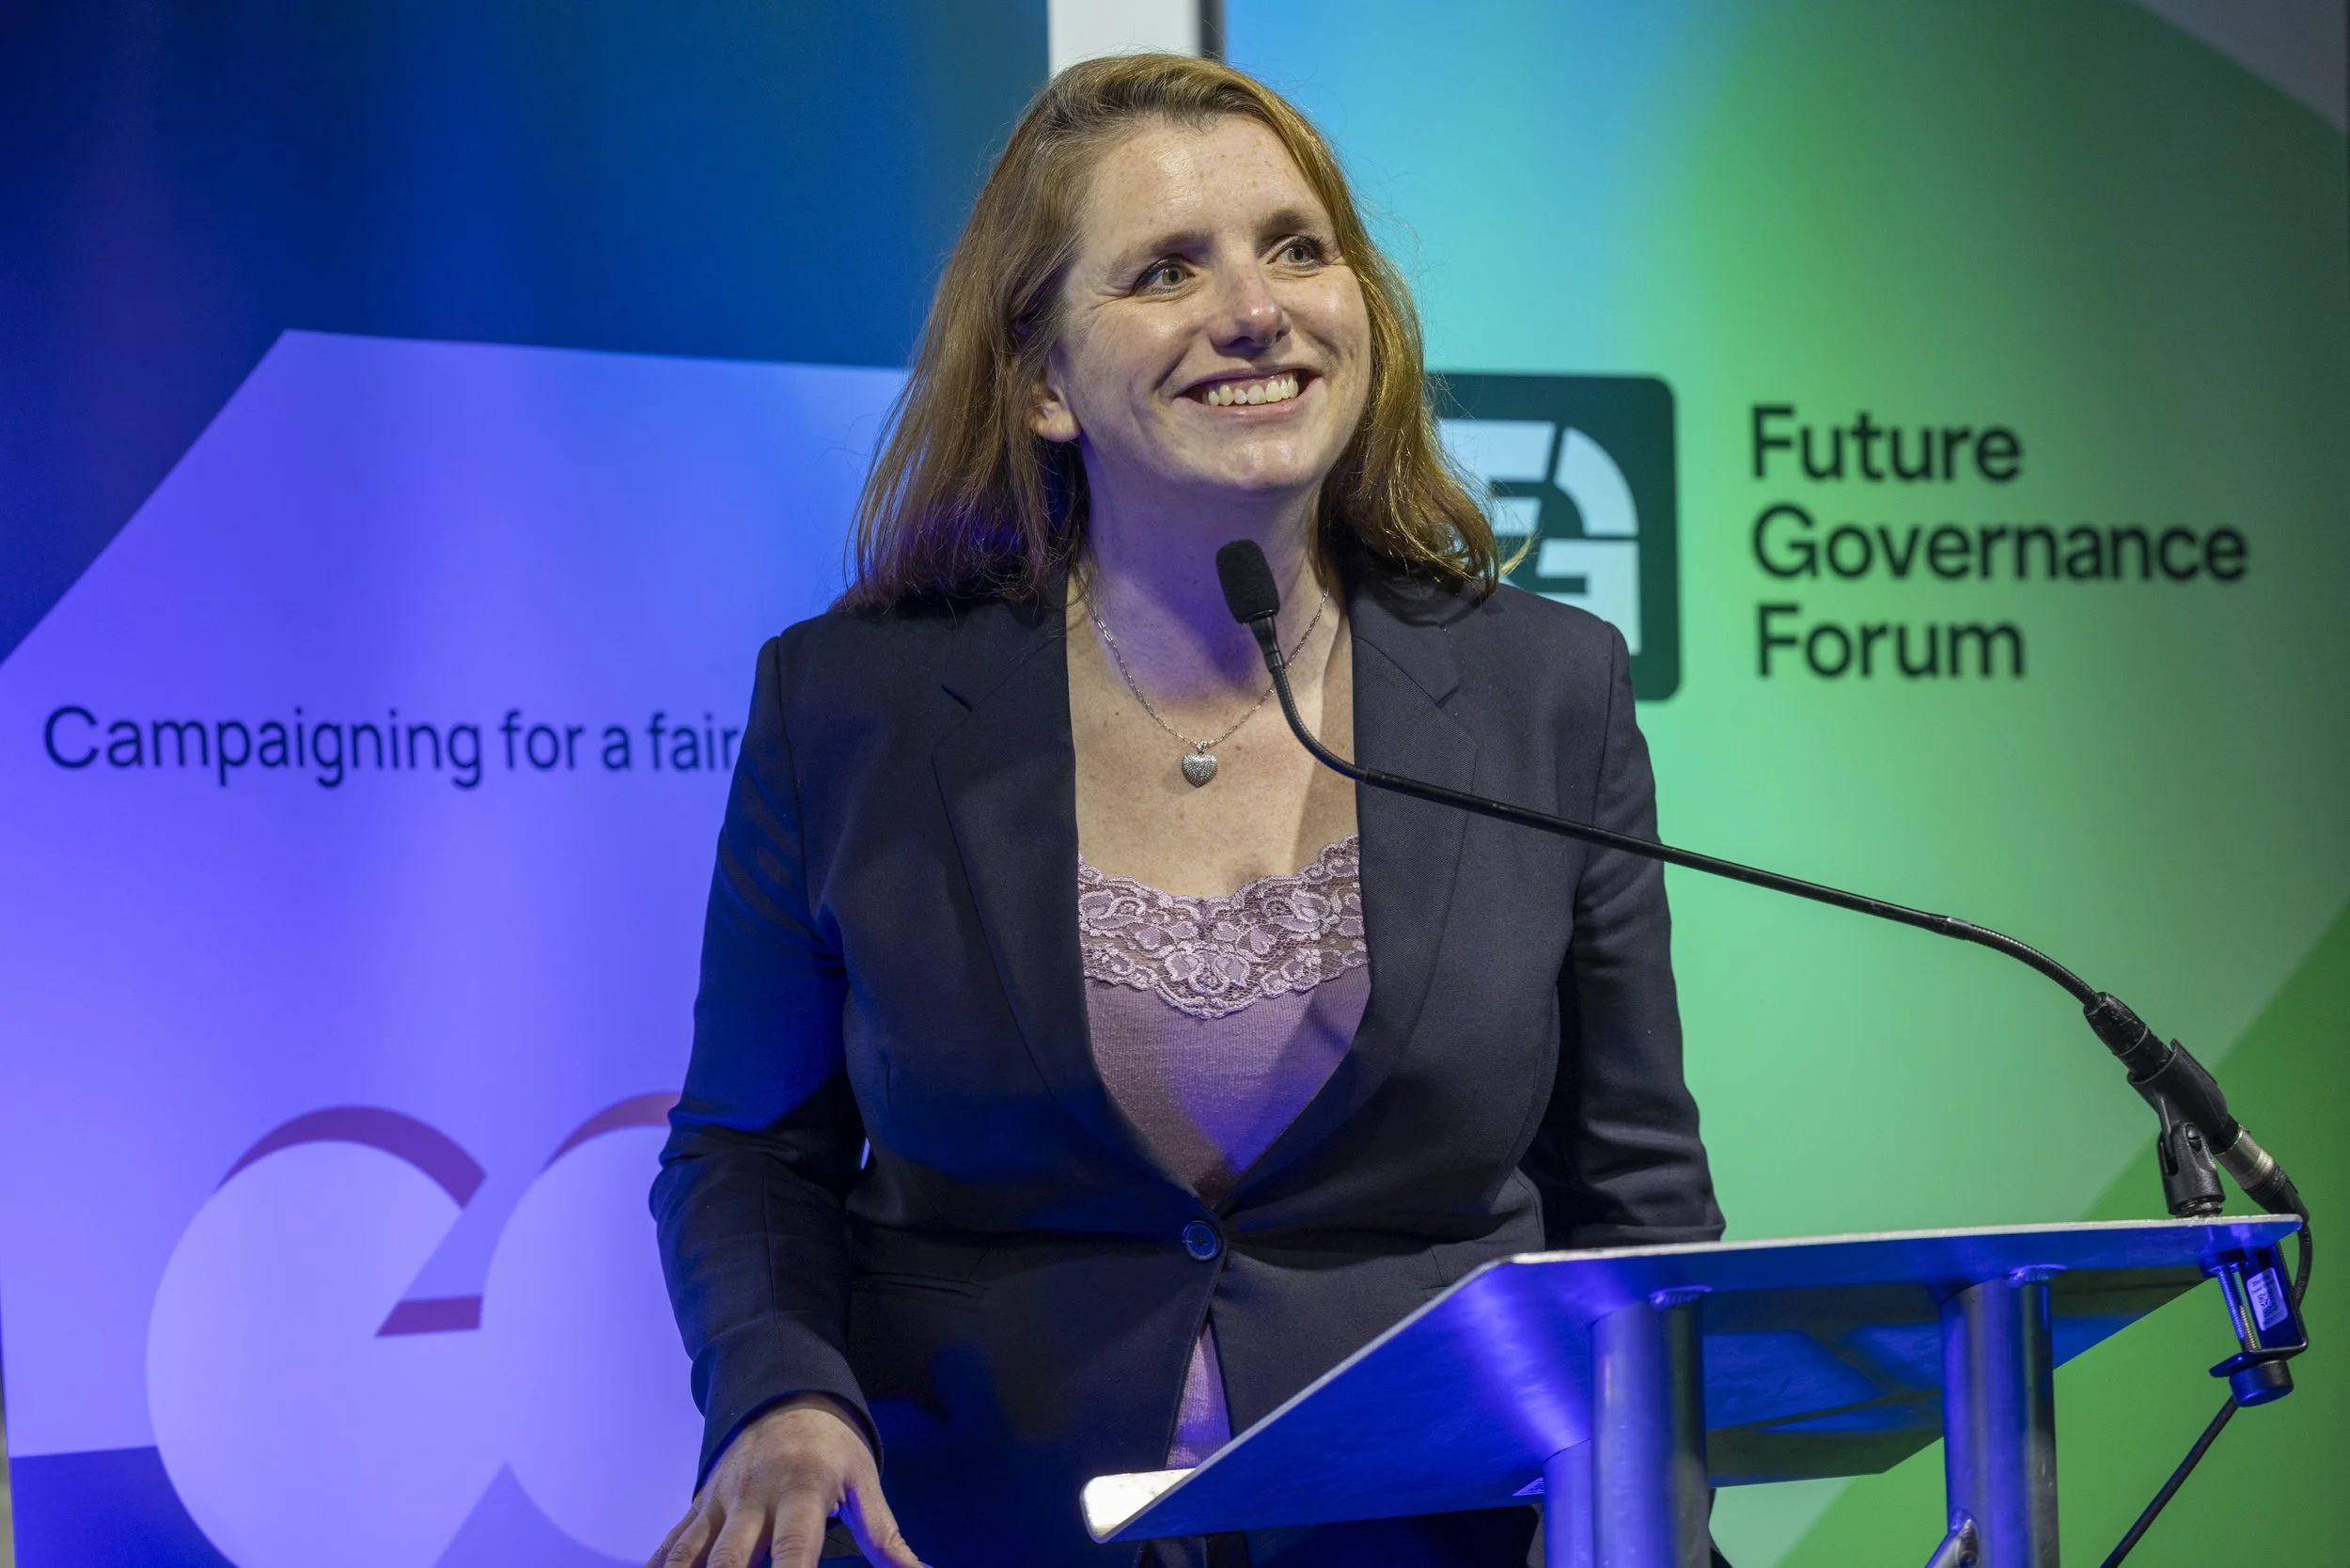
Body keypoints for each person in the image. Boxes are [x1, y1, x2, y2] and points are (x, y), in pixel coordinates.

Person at [650, 53, 1721, 1568]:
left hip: (1448, 1529)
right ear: (1039, 382)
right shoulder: (851, 708)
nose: (1256, 309)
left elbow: (1636, 1197)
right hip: (980, 1527)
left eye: (1299, 248)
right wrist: (782, 1393)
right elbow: (745, 1151)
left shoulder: (1549, 689)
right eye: (1167, 270)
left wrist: (1644, 1515)